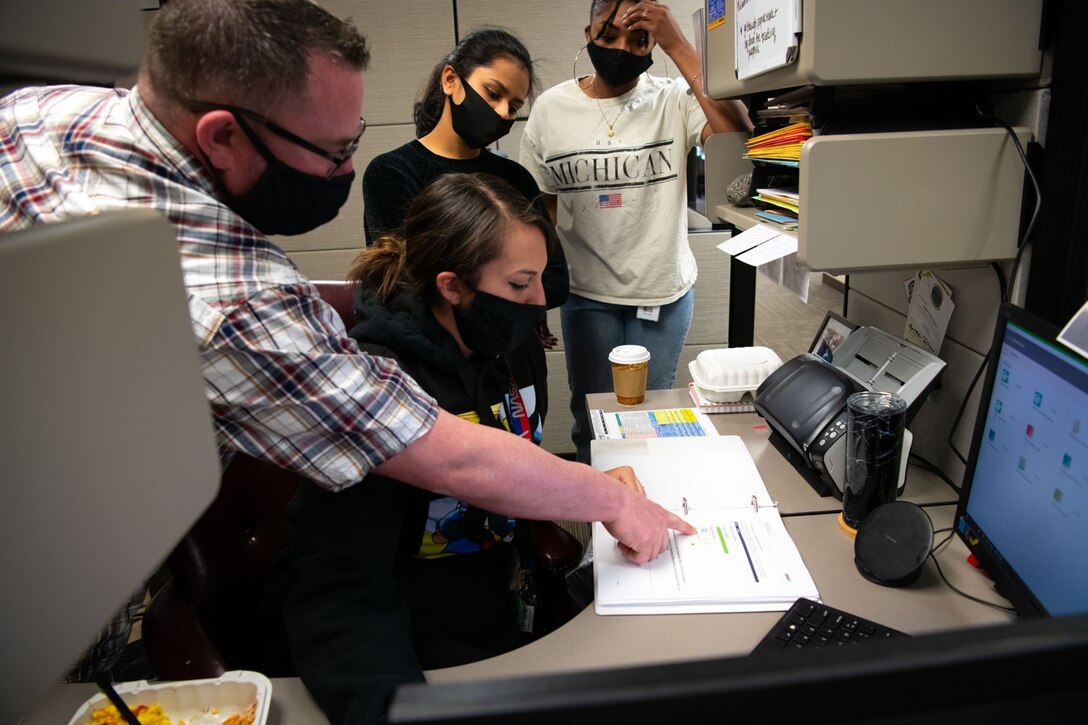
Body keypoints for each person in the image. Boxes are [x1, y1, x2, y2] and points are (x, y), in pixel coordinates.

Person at [0, 0, 691, 685]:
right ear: (222, 137)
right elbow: (427, 457)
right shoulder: (233, 299)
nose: (346, 171)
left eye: (352, 139)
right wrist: (608, 500)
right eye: (331, 152)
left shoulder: (45, 111)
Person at [282, 172, 641, 723]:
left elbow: (511, 451)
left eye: (542, 278)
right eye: (520, 284)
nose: (540, 300)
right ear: (452, 287)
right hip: (411, 640)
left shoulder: (506, 344)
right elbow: (339, 587)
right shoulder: (377, 392)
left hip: (497, 609)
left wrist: (581, 486)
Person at [520, 0, 752, 461]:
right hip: (586, 293)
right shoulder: (551, 109)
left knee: (648, 421)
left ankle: (642, 501)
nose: (622, 49)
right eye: (609, 35)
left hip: (661, 293)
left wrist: (677, 43)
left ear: (653, 45)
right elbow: (540, 210)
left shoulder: (674, 98)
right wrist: (537, 290)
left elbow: (737, 143)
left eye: (639, 39)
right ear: (588, 34)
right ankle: (597, 504)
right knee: (591, 420)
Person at [362, 27, 569, 314]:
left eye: (513, 107)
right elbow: (403, 283)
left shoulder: (516, 178)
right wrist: (514, 287)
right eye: (493, 93)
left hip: (511, 340)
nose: (502, 112)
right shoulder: (392, 172)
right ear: (450, 80)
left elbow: (555, 280)